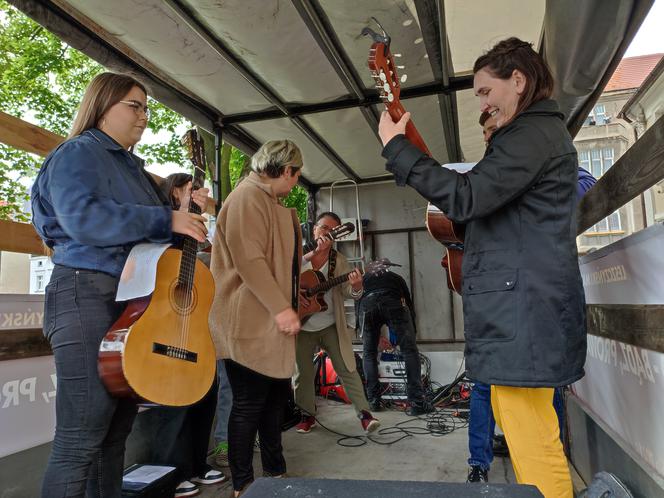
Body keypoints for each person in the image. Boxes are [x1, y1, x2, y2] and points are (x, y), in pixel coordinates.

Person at [378, 38, 587, 498]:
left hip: (524, 317)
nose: (482, 103)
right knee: (535, 437)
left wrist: (397, 149)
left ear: (518, 80)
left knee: (533, 444)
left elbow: (468, 197)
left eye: (485, 91)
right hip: (523, 315)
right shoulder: (533, 134)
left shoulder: (531, 135)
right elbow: (485, 214)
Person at [31, 72, 209, 498]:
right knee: (82, 435)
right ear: (101, 106)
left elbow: (150, 239)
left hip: (128, 304)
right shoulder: (78, 152)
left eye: (147, 108)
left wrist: (183, 218)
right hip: (84, 293)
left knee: (114, 435)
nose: (144, 116)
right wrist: (165, 218)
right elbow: (83, 219)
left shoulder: (134, 170)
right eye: (134, 105)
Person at [465, 112, 597, 483]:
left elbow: (585, 185)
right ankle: (480, 461)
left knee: (541, 395)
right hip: (498, 306)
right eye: (488, 134)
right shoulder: (488, 177)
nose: (493, 139)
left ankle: (546, 455)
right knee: (483, 385)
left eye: (498, 131)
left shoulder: (542, 162)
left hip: (535, 306)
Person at [208, 139, 303, 497]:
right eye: (295, 175)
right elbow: (250, 260)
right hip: (248, 318)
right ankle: (243, 483)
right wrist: (281, 308)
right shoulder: (247, 198)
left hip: (267, 320)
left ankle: (275, 473)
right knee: (248, 404)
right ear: (284, 169)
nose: (295, 183)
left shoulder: (266, 200)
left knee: (274, 400)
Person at [148, 173, 226, 497]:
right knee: (174, 403)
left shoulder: (193, 230)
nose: (194, 195)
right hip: (166, 329)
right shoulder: (159, 229)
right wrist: (182, 212)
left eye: (195, 191)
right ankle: (169, 469)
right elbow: (165, 261)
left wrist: (198, 215)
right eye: (187, 190)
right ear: (173, 193)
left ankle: (196, 464)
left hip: (195, 331)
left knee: (205, 397)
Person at [294, 212, 380, 434]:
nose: (326, 234)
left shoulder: (339, 261)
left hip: (330, 324)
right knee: (302, 373)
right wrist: (295, 295)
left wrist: (358, 286)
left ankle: (364, 414)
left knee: (347, 368)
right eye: (323, 228)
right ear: (314, 230)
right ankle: (306, 415)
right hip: (301, 325)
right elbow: (279, 275)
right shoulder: (298, 254)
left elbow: (349, 292)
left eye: (332, 231)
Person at [357, 269, 434, 415]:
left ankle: (373, 401)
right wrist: (410, 336)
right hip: (393, 301)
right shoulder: (396, 278)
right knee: (409, 351)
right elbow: (409, 306)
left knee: (369, 353)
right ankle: (417, 403)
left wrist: (363, 330)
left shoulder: (364, 279)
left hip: (367, 305)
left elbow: (358, 305)